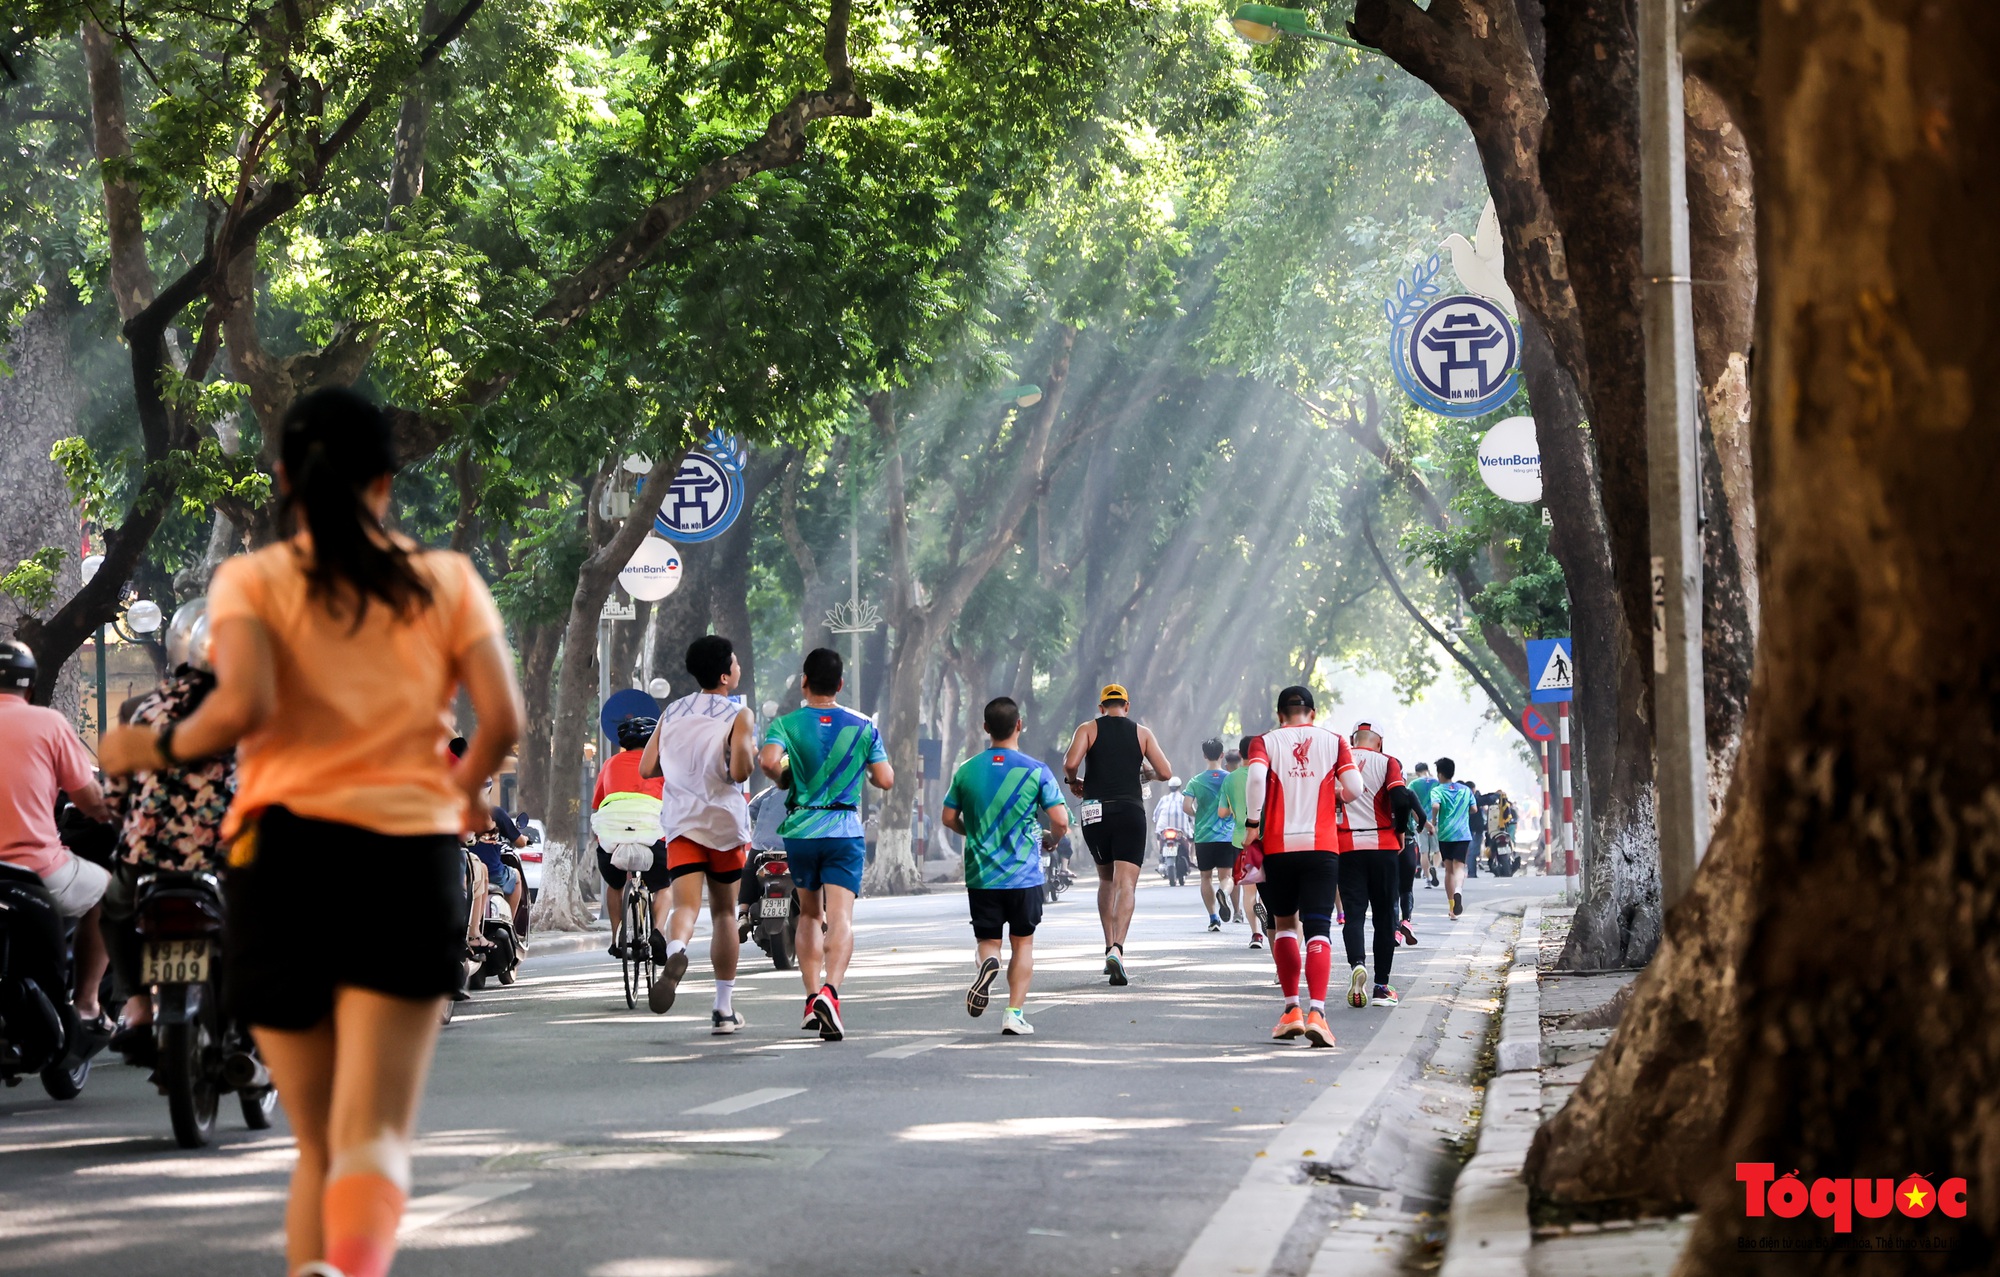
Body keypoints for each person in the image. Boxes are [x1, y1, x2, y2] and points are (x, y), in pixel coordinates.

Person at [100, 387, 523, 1277]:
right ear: (386, 479)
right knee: (371, 1137)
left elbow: (241, 707)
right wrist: (462, 788)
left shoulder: (250, 580)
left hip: (281, 862)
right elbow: (502, 721)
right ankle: (353, 1264)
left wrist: (147, 742)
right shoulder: (445, 581)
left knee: (319, 1142)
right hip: (406, 861)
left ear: (286, 477)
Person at [100, 601, 237, 1062]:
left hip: (147, 857)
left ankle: (137, 1006)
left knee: (115, 909)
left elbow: (116, 793)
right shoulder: (247, 713)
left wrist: (130, 825)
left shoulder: (144, 710)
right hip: (222, 855)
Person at [758, 647, 892, 1041]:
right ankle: (831, 994)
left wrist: (785, 778)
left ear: (803, 682)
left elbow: (767, 762)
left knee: (809, 916)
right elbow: (885, 779)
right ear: (840, 684)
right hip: (844, 831)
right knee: (842, 918)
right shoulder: (864, 726)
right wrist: (865, 772)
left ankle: (811, 997)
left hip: (800, 832)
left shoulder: (786, 724)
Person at [640, 636, 756, 1031]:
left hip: (682, 822)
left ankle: (675, 949)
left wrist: (680, 770)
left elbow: (646, 767)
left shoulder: (672, 711)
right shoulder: (739, 714)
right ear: (725, 675)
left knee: (685, 906)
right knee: (724, 912)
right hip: (723, 824)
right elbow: (741, 772)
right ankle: (723, 1008)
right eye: (735, 662)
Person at [0, 639, 116, 1031]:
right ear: (30, 687)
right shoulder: (49, 724)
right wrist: (106, 807)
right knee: (109, 893)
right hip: (36, 871)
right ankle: (86, 1002)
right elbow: (88, 801)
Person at [1243, 686, 1362, 1049]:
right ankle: (1318, 1015)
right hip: (1322, 847)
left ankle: (1291, 1009)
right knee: (1318, 929)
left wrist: (1252, 824)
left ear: (1280, 714)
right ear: (1313, 712)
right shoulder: (1334, 740)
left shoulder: (1264, 741)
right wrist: (1336, 796)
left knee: (1283, 926)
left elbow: (1256, 779)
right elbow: (1354, 788)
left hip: (1279, 847)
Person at [943, 697, 1068, 1037]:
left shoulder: (966, 770)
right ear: (1019, 725)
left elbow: (948, 818)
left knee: (989, 940)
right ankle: (1013, 1013)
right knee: (1023, 943)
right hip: (1024, 875)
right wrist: (1052, 840)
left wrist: (975, 831)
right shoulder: (1036, 770)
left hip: (982, 876)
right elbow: (1060, 819)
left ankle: (987, 963)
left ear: (986, 728)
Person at [1063, 683, 1174, 986]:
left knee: (1105, 880)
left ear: (1101, 707)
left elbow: (1071, 764)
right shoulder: (1142, 732)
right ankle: (1118, 949)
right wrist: (1145, 772)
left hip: (1095, 812)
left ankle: (1107, 944)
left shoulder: (1088, 728)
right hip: (1129, 812)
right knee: (1126, 884)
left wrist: (1074, 782)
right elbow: (1165, 772)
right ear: (1127, 706)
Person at [1337, 723, 1423, 1009]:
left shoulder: (1339, 760)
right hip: (1383, 846)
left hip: (1346, 847)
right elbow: (1400, 797)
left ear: (1353, 739)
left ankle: (1357, 965)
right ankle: (1381, 986)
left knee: (1353, 913)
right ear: (1380, 742)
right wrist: (1399, 830)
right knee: (1385, 915)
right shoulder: (1387, 762)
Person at [591, 715, 670, 961]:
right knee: (664, 887)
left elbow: (597, 802)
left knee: (615, 885)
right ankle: (658, 931)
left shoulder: (610, 763)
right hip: (651, 829)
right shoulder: (661, 763)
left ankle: (617, 936)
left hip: (612, 831)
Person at [1215, 736, 1265, 948]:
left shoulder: (1230, 779)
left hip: (1240, 839)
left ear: (1241, 754)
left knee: (1248, 888)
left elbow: (1222, 812)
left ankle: (1255, 935)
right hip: (1266, 839)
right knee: (1267, 886)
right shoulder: (1266, 775)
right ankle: (1266, 914)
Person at [1181, 740, 1236, 930]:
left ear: (1204, 755)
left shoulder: (1196, 781)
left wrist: (1199, 815)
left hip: (1203, 836)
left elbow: (1186, 807)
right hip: (1226, 836)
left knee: (1205, 877)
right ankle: (1223, 892)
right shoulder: (1231, 778)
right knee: (1226, 876)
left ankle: (1213, 918)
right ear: (1222, 755)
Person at [1429, 757, 1477, 917]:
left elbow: (1435, 805)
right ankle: (1458, 891)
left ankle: (1452, 908)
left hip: (1445, 834)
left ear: (1440, 773)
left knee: (1449, 870)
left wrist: (1434, 820)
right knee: (1460, 867)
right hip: (1463, 834)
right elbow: (1474, 809)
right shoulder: (1465, 790)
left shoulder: (1437, 790)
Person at [1150, 774, 1193, 877]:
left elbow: (1155, 815)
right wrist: (1192, 823)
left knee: (1159, 838)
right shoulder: (1184, 799)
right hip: (1181, 830)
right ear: (1180, 787)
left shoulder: (1164, 799)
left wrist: (1157, 822)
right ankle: (1191, 858)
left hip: (1164, 830)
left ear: (1169, 787)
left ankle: (1161, 858)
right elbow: (1191, 814)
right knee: (1191, 840)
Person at [1408, 762, 1441, 887]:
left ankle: (1427, 878)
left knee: (1424, 852)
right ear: (1428, 769)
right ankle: (1436, 868)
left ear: (1417, 772)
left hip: (1420, 822)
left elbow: (1410, 803)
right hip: (1435, 820)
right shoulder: (1437, 783)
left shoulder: (1413, 784)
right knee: (1438, 850)